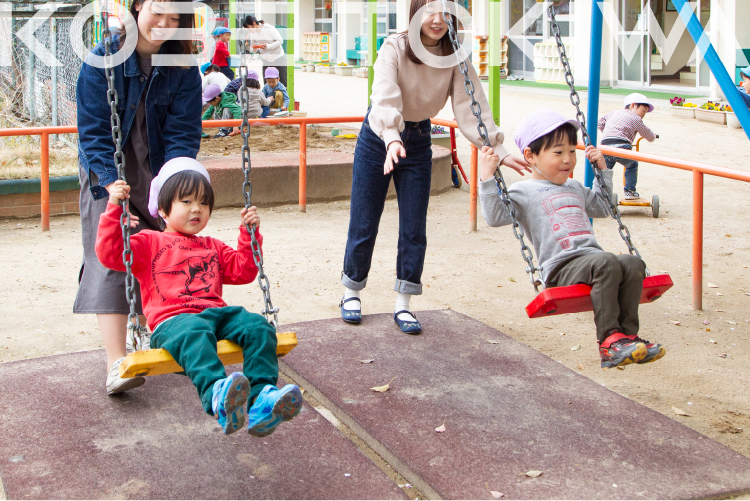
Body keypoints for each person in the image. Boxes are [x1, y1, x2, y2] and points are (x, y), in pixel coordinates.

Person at [338, 0, 529, 334]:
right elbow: (385, 94)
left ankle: (404, 302)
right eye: (429, 12)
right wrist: (392, 137)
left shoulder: (455, 54)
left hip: (419, 138)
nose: (437, 20)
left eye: (445, 13)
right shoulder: (395, 47)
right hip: (379, 137)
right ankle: (351, 291)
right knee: (365, 217)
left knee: (414, 226)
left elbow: (472, 106)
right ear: (415, 15)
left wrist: (497, 148)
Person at [96, 158, 303, 436]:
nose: (197, 209)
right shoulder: (149, 242)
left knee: (256, 326)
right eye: (186, 201)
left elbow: (244, 271)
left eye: (204, 203)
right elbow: (110, 254)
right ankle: (217, 394)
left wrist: (249, 235)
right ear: (162, 209)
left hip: (215, 316)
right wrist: (112, 211)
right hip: (174, 324)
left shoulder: (213, 247)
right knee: (194, 329)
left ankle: (261, 398)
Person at [75, 0, 202, 395]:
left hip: (159, 167)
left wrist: (174, 185)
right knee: (112, 253)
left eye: (174, 18)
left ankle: (146, 331)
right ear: (135, 9)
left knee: (160, 250)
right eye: (156, 12)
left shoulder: (183, 68)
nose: (162, 24)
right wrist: (113, 188)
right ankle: (116, 363)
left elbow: (184, 133)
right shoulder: (103, 60)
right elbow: (94, 133)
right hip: (107, 170)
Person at [478, 108, 665, 369]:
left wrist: (603, 172)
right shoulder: (524, 191)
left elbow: (603, 208)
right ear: (531, 156)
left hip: (592, 262)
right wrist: (487, 178)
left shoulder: (575, 187)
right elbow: (495, 216)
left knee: (633, 264)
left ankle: (629, 337)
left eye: (572, 151)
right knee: (607, 262)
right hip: (561, 268)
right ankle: (610, 342)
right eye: (558, 152)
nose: (568, 159)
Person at [597, 93, 656, 200]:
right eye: (643, 110)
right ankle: (630, 191)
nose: (643, 114)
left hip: (605, 146)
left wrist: (610, 132)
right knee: (632, 165)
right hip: (622, 146)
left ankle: (601, 191)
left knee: (605, 169)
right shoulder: (636, 119)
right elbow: (647, 134)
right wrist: (653, 137)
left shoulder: (614, 113)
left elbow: (600, 123)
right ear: (633, 105)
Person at [243, 15, 287, 87]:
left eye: (248, 28)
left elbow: (280, 40)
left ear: (254, 24)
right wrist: (253, 48)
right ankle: (269, 98)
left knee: (283, 81)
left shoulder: (268, 28)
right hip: (266, 59)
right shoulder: (252, 34)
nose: (248, 30)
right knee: (267, 83)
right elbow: (253, 50)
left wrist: (268, 46)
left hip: (278, 57)